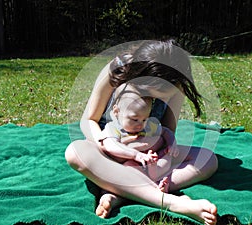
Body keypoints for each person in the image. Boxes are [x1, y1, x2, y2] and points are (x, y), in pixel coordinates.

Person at [65, 40, 218, 225]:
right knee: (75, 153)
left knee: (208, 159)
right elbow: (89, 120)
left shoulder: (174, 83)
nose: (163, 99)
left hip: (150, 155)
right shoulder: (116, 70)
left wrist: (156, 150)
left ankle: (121, 192)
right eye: (157, 94)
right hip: (112, 150)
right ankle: (171, 202)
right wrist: (107, 145)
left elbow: (168, 130)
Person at [98, 83, 179, 192]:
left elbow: (165, 131)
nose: (140, 124)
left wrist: (171, 143)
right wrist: (136, 155)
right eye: (134, 119)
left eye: (145, 119)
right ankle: (153, 187)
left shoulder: (148, 125)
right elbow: (111, 145)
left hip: (150, 160)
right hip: (128, 162)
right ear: (117, 112)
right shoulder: (113, 127)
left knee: (166, 157)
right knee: (128, 167)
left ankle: (154, 173)